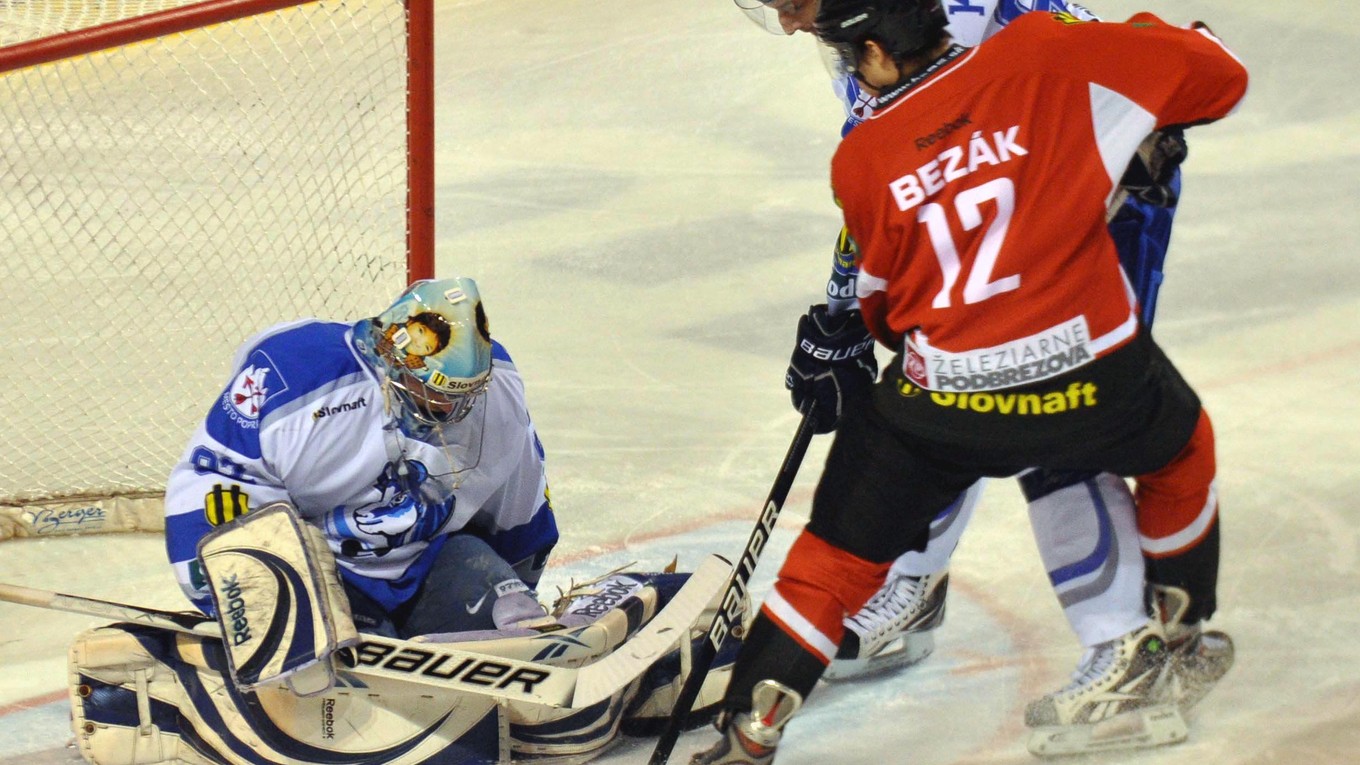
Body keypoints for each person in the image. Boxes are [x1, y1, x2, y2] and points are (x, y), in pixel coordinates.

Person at [692, 3, 1246, 763]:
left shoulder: (1000, 33)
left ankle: (1124, 642)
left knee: (1039, 434)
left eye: (792, 1)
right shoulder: (904, 35)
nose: (787, 22)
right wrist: (839, 312)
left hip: (1085, 212)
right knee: (1070, 408)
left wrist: (855, 315)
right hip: (1013, 226)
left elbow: (906, 204)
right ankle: (930, 581)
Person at [164, 276, 559, 639]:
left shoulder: (499, 390)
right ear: (387, 358)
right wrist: (239, 603)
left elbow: (519, 500)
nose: (445, 408)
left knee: (505, 620)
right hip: (326, 570)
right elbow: (213, 480)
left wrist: (521, 589)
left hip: (430, 558)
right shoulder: (298, 378)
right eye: (429, 390)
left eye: (460, 395)